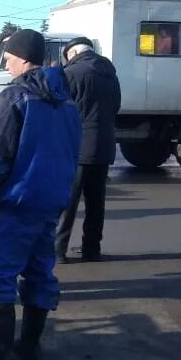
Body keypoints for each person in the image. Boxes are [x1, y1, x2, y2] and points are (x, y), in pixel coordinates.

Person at [0, 29, 81, 360]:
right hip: (52, 201)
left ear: (23, 57)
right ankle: (29, 347)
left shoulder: (15, 97)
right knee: (40, 272)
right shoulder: (66, 101)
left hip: (18, 202)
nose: (7, 64)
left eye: (9, 57)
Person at [55, 37, 122, 263]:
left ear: (72, 53)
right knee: (96, 201)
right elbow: (116, 106)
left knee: (68, 200)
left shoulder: (72, 73)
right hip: (103, 144)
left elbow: (60, 108)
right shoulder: (110, 74)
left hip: (76, 145)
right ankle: (92, 248)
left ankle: (57, 249)